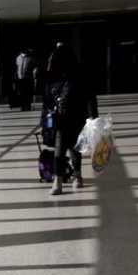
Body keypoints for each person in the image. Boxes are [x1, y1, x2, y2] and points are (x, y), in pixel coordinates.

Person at [40, 44, 98, 195]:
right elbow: (46, 104)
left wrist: (92, 116)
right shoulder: (52, 79)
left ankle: (77, 175)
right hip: (59, 121)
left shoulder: (78, 77)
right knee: (59, 150)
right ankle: (58, 180)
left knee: (74, 149)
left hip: (76, 118)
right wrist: (43, 123)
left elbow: (90, 97)